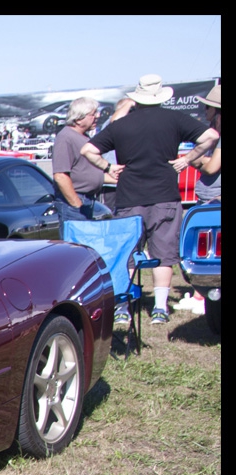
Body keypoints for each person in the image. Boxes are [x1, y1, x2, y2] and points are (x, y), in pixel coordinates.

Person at [82, 74, 218, 326]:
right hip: (165, 195)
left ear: (137, 98)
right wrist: (187, 160)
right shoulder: (175, 119)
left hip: (128, 197)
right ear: (160, 96)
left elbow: (88, 149)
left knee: (127, 254)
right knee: (163, 253)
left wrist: (108, 167)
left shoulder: (121, 125)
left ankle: (122, 307)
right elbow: (210, 136)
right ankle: (159, 308)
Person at [177, 84, 221, 315]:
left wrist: (198, 160)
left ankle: (201, 296)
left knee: (205, 250)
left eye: (208, 107)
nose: (205, 111)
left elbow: (212, 167)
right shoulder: (212, 135)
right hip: (208, 198)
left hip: (214, 202)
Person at [51, 97, 115, 231]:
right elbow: (60, 176)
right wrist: (76, 203)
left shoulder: (83, 137)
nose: (98, 116)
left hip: (87, 201)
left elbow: (85, 173)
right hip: (74, 204)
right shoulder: (65, 138)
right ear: (79, 118)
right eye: (93, 114)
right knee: (76, 242)